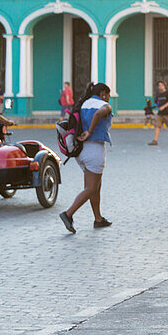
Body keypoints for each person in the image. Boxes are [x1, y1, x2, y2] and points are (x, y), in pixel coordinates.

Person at [59, 83, 113, 232]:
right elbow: (98, 114)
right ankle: (68, 214)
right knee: (91, 188)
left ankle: (98, 218)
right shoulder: (105, 105)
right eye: (108, 94)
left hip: (81, 150)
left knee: (95, 186)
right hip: (94, 149)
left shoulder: (83, 104)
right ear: (103, 93)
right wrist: (90, 131)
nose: (109, 98)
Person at [149, 81, 168, 145]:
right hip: (160, 113)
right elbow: (156, 102)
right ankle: (155, 140)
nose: (160, 87)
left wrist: (163, 106)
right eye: (159, 85)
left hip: (167, 113)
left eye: (162, 85)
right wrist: (158, 106)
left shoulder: (167, 93)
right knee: (157, 126)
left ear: (164, 86)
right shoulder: (158, 94)